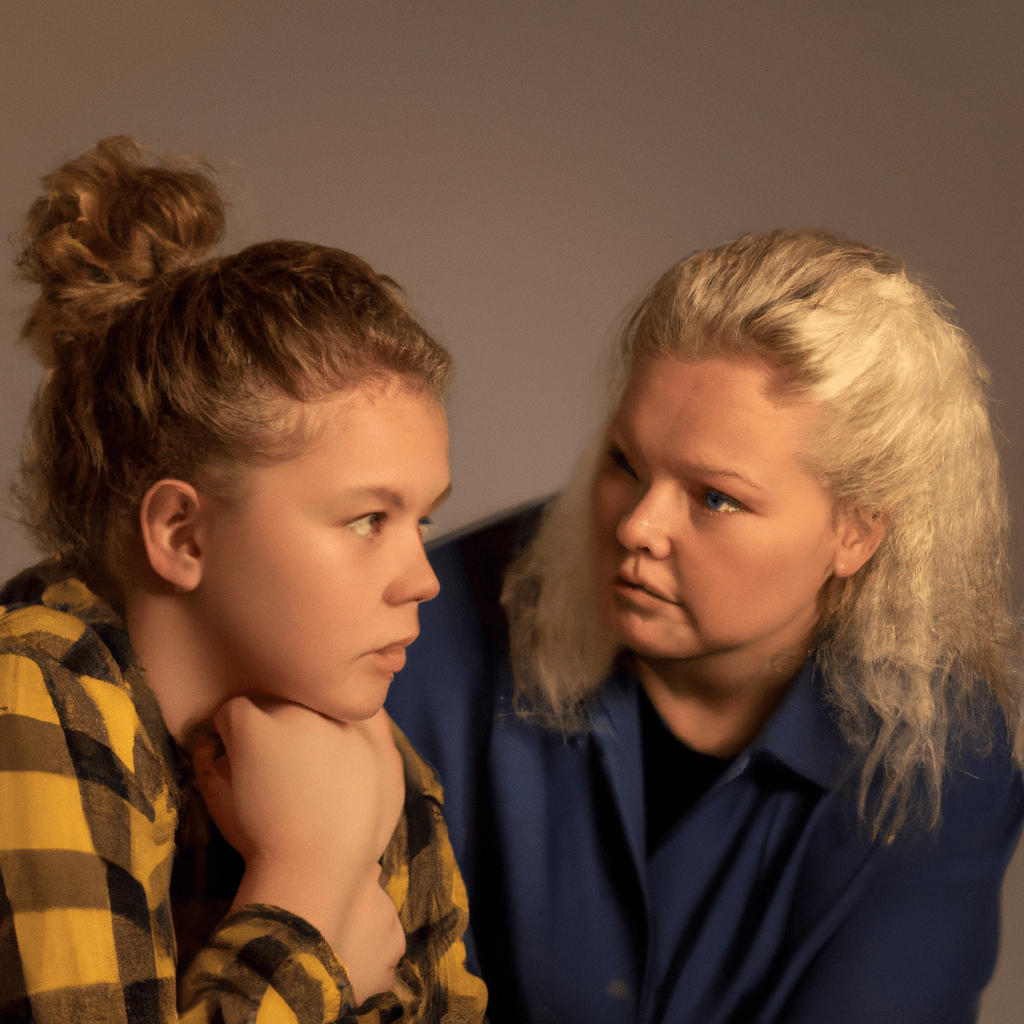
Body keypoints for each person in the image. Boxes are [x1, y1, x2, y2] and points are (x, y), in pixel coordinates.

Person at [387, 229, 1024, 1024]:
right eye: (625, 463)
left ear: (855, 533)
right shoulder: (413, 626)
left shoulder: (942, 760)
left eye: (715, 498)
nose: (637, 527)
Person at [0, 136, 487, 1023]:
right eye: (368, 520)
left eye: (423, 521)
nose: (423, 579)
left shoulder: (371, 756)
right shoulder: (29, 698)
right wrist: (305, 885)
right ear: (182, 533)